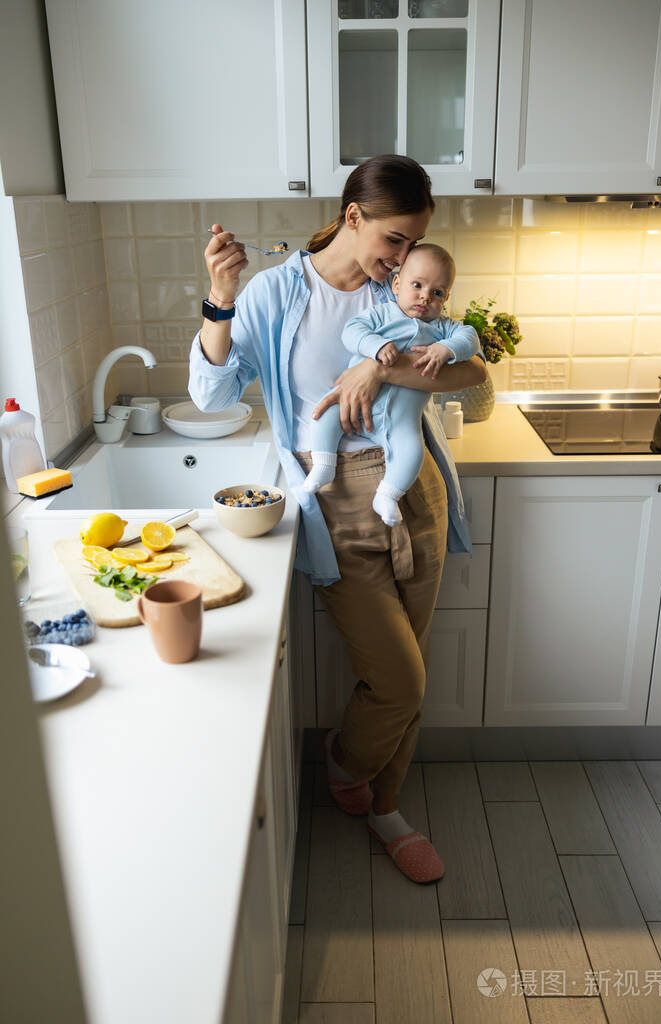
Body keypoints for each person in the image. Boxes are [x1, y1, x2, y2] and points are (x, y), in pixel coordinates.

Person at [188, 155, 486, 884]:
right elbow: (210, 393)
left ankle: (385, 805)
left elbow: (474, 371)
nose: (401, 260)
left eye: (412, 244)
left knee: (411, 659)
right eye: (392, 240)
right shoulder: (277, 292)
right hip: (333, 500)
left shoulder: (405, 291)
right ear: (353, 218)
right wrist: (219, 298)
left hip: (415, 487)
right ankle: (344, 763)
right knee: (400, 680)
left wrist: (377, 368)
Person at [302, 243, 479, 529]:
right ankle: (323, 466)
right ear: (397, 284)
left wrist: (446, 349)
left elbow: (470, 338)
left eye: (437, 293)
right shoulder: (382, 314)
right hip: (356, 406)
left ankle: (387, 495)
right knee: (324, 415)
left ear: (445, 298)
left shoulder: (444, 328)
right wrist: (376, 345)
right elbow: (352, 331)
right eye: (417, 285)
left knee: (413, 451)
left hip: (401, 422)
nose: (425, 297)